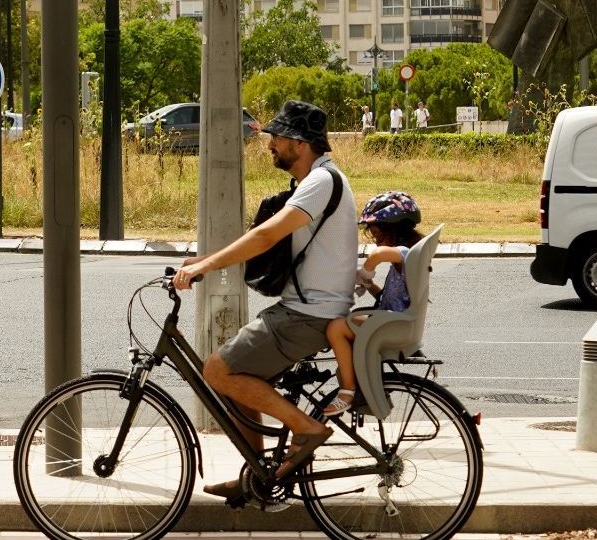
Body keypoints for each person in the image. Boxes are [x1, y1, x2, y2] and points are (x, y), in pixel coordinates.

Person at [173, 100, 357, 501]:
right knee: (239, 380)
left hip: (306, 315)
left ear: (300, 143)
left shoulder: (320, 183)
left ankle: (307, 428)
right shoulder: (321, 179)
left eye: (277, 139)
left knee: (218, 370)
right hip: (308, 309)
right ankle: (257, 476)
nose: (270, 145)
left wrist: (203, 268)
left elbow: (264, 237)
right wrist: (205, 260)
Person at [321, 191, 423, 417]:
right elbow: (393, 297)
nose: (375, 239)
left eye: (377, 233)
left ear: (393, 228)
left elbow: (377, 254)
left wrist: (366, 271)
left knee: (336, 328)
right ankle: (358, 383)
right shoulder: (409, 255)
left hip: (392, 325)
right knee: (346, 321)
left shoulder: (405, 253)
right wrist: (370, 285)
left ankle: (347, 391)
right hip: (394, 320)